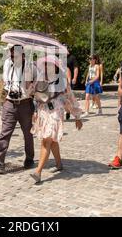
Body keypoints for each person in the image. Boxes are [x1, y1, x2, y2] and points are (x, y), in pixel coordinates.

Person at [29, 55, 83, 184]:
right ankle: (59, 164)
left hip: (56, 112)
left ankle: (38, 172)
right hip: (43, 112)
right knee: (52, 141)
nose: (48, 67)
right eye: (46, 64)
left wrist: (77, 116)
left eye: (51, 65)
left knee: (46, 140)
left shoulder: (62, 81)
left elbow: (71, 97)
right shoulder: (40, 79)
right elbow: (34, 95)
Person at [0, 44, 36, 174]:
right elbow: (6, 83)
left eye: (16, 56)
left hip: (25, 103)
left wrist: (32, 87)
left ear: (23, 55)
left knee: (28, 134)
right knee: (4, 133)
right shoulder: (8, 63)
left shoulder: (30, 66)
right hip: (10, 103)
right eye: (12, 55)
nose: (13, 58)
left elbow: (38, 82)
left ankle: (29, 159)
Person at [65, 50, 79, 120]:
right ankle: (67, 111)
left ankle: (69, 111)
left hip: (67, 82)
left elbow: (76, 68)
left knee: (68, 99)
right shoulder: (60, 57)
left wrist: (74, 78)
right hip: (60, 83)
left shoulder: (72, 58)